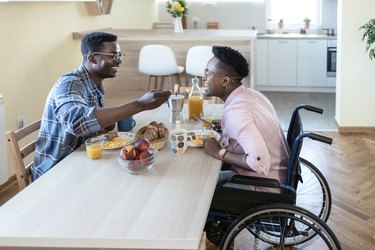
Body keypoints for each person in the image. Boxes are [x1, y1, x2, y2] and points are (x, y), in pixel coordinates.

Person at [32, 32, 171, 180]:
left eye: (120, 55)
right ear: (92, 58)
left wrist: (105, 125)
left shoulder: (95, 85)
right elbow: (77, 122)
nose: (119, 61)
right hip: (55, 171)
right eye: (113, 56)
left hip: (80, 161)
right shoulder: (70, 83)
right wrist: (140, 104)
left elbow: (87, 123)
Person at [203, 46, 290, 191]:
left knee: (201, 188)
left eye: (208, 73)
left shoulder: (237, 112)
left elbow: (259, 162)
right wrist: (227, 125)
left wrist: (219, 152)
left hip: (263, 185)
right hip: (278, 176)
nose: (203, 77)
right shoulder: (252, 94)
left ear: (225, 81)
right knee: (205, 177)